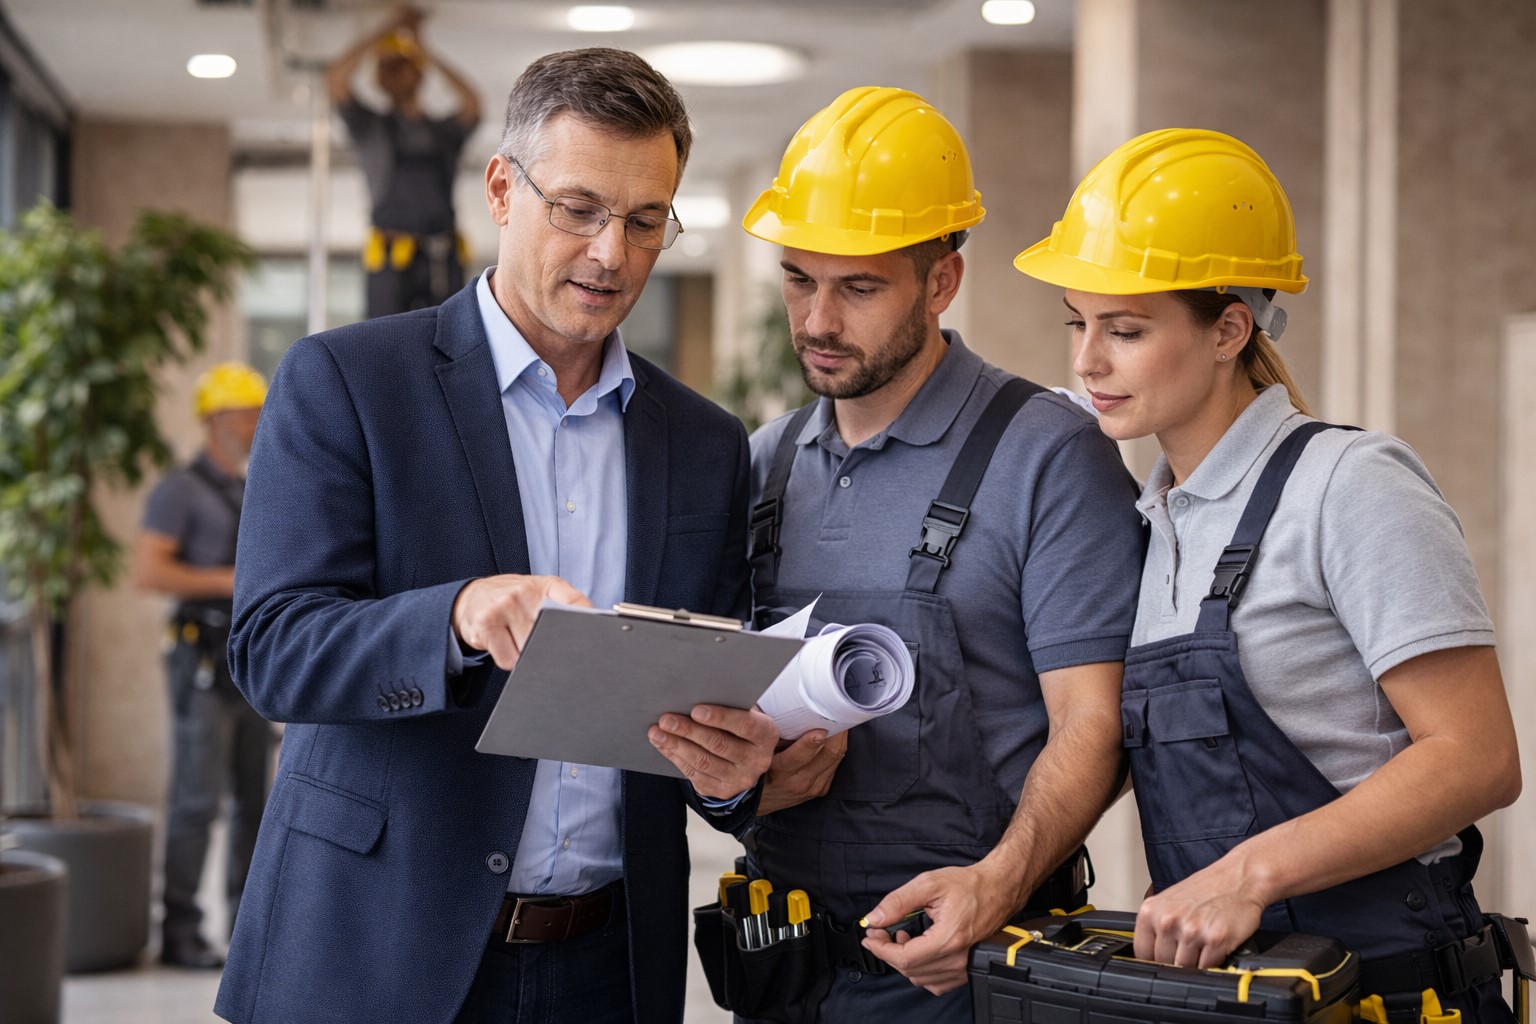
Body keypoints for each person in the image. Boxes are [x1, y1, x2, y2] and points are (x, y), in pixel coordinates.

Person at [215, 48, 777, 1024]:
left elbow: (706, 682)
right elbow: (271, 650)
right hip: (380, 946)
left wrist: (735, 773)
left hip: (611, 962)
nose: (612, 252)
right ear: (501, 191)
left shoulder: (705, 441)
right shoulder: (346, 382)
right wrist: (456, 616)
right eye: (579, 208)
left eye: (647, 221)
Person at [1013, 128, 1521, 1023]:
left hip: (1387, 989)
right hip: (1237, 994)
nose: (1087, 362)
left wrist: (1247, 875)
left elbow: (1477, 758)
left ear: (1230, 329)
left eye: (1125, 330)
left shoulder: (1349, 485)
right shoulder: (1157, 520)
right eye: (1078, 323)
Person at [736, 87, 1146, 1021]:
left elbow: (1095, 725)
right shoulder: (763, 467)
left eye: (860, 287)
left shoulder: (1048, 455)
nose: (818, 320)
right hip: (783, 968)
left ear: (942, 281)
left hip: (967, 972)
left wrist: (999, 886)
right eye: (800, 279)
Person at [133, 362, 273, 970]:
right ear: (218, 419)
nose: (258, 423)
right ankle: (181, 930)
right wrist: (232, 581)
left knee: (253, 798)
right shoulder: (178, 491)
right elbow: (149, 572)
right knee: (196, 800)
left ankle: (245, 927)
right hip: (198, 658)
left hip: (247, 658)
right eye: (249, 412)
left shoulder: (252, 486)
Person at [327, 4, 481, 319]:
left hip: (441, 255)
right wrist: (386, 29)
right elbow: (336, 80)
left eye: (403, 65)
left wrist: (425, 49)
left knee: (450, 335)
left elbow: (472, 103)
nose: (395, 73)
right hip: (390, 256)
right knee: (383, 343)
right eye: (387, 67)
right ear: (378, 78)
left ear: (420, 73)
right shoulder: (370, 128)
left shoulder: (444, 133)